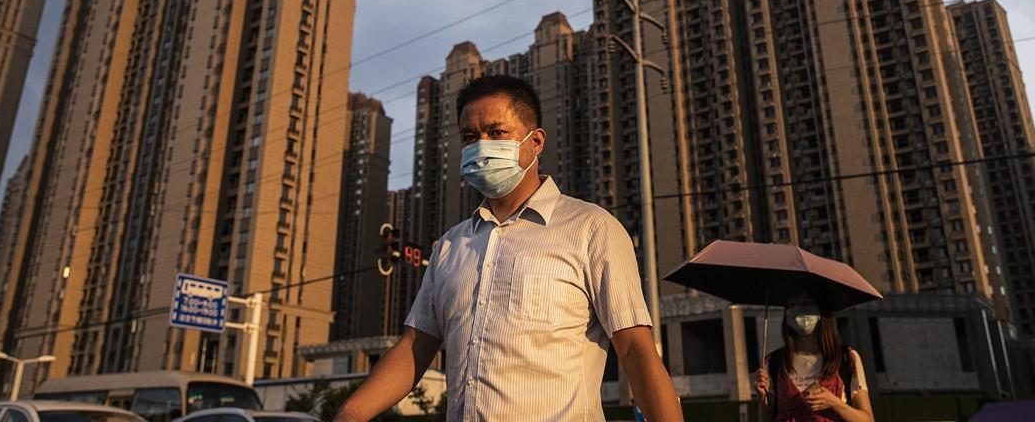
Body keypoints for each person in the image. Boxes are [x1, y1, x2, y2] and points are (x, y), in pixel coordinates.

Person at [335, 75, 682, 421]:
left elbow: (635, 348)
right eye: (470, 137)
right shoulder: (450, 247)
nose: (481, 145)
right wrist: (351, 412)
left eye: (497, 132)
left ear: (536, 141)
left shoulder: (592, 228)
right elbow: (416, 345)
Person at [754, 294, 874, 422]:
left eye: (807, 303)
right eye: (793, 304)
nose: (799, 309)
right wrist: (762, 398)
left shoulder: (846, 358)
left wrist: (834, 403)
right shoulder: (773, 362)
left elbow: (868, 419)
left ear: (822, 310)